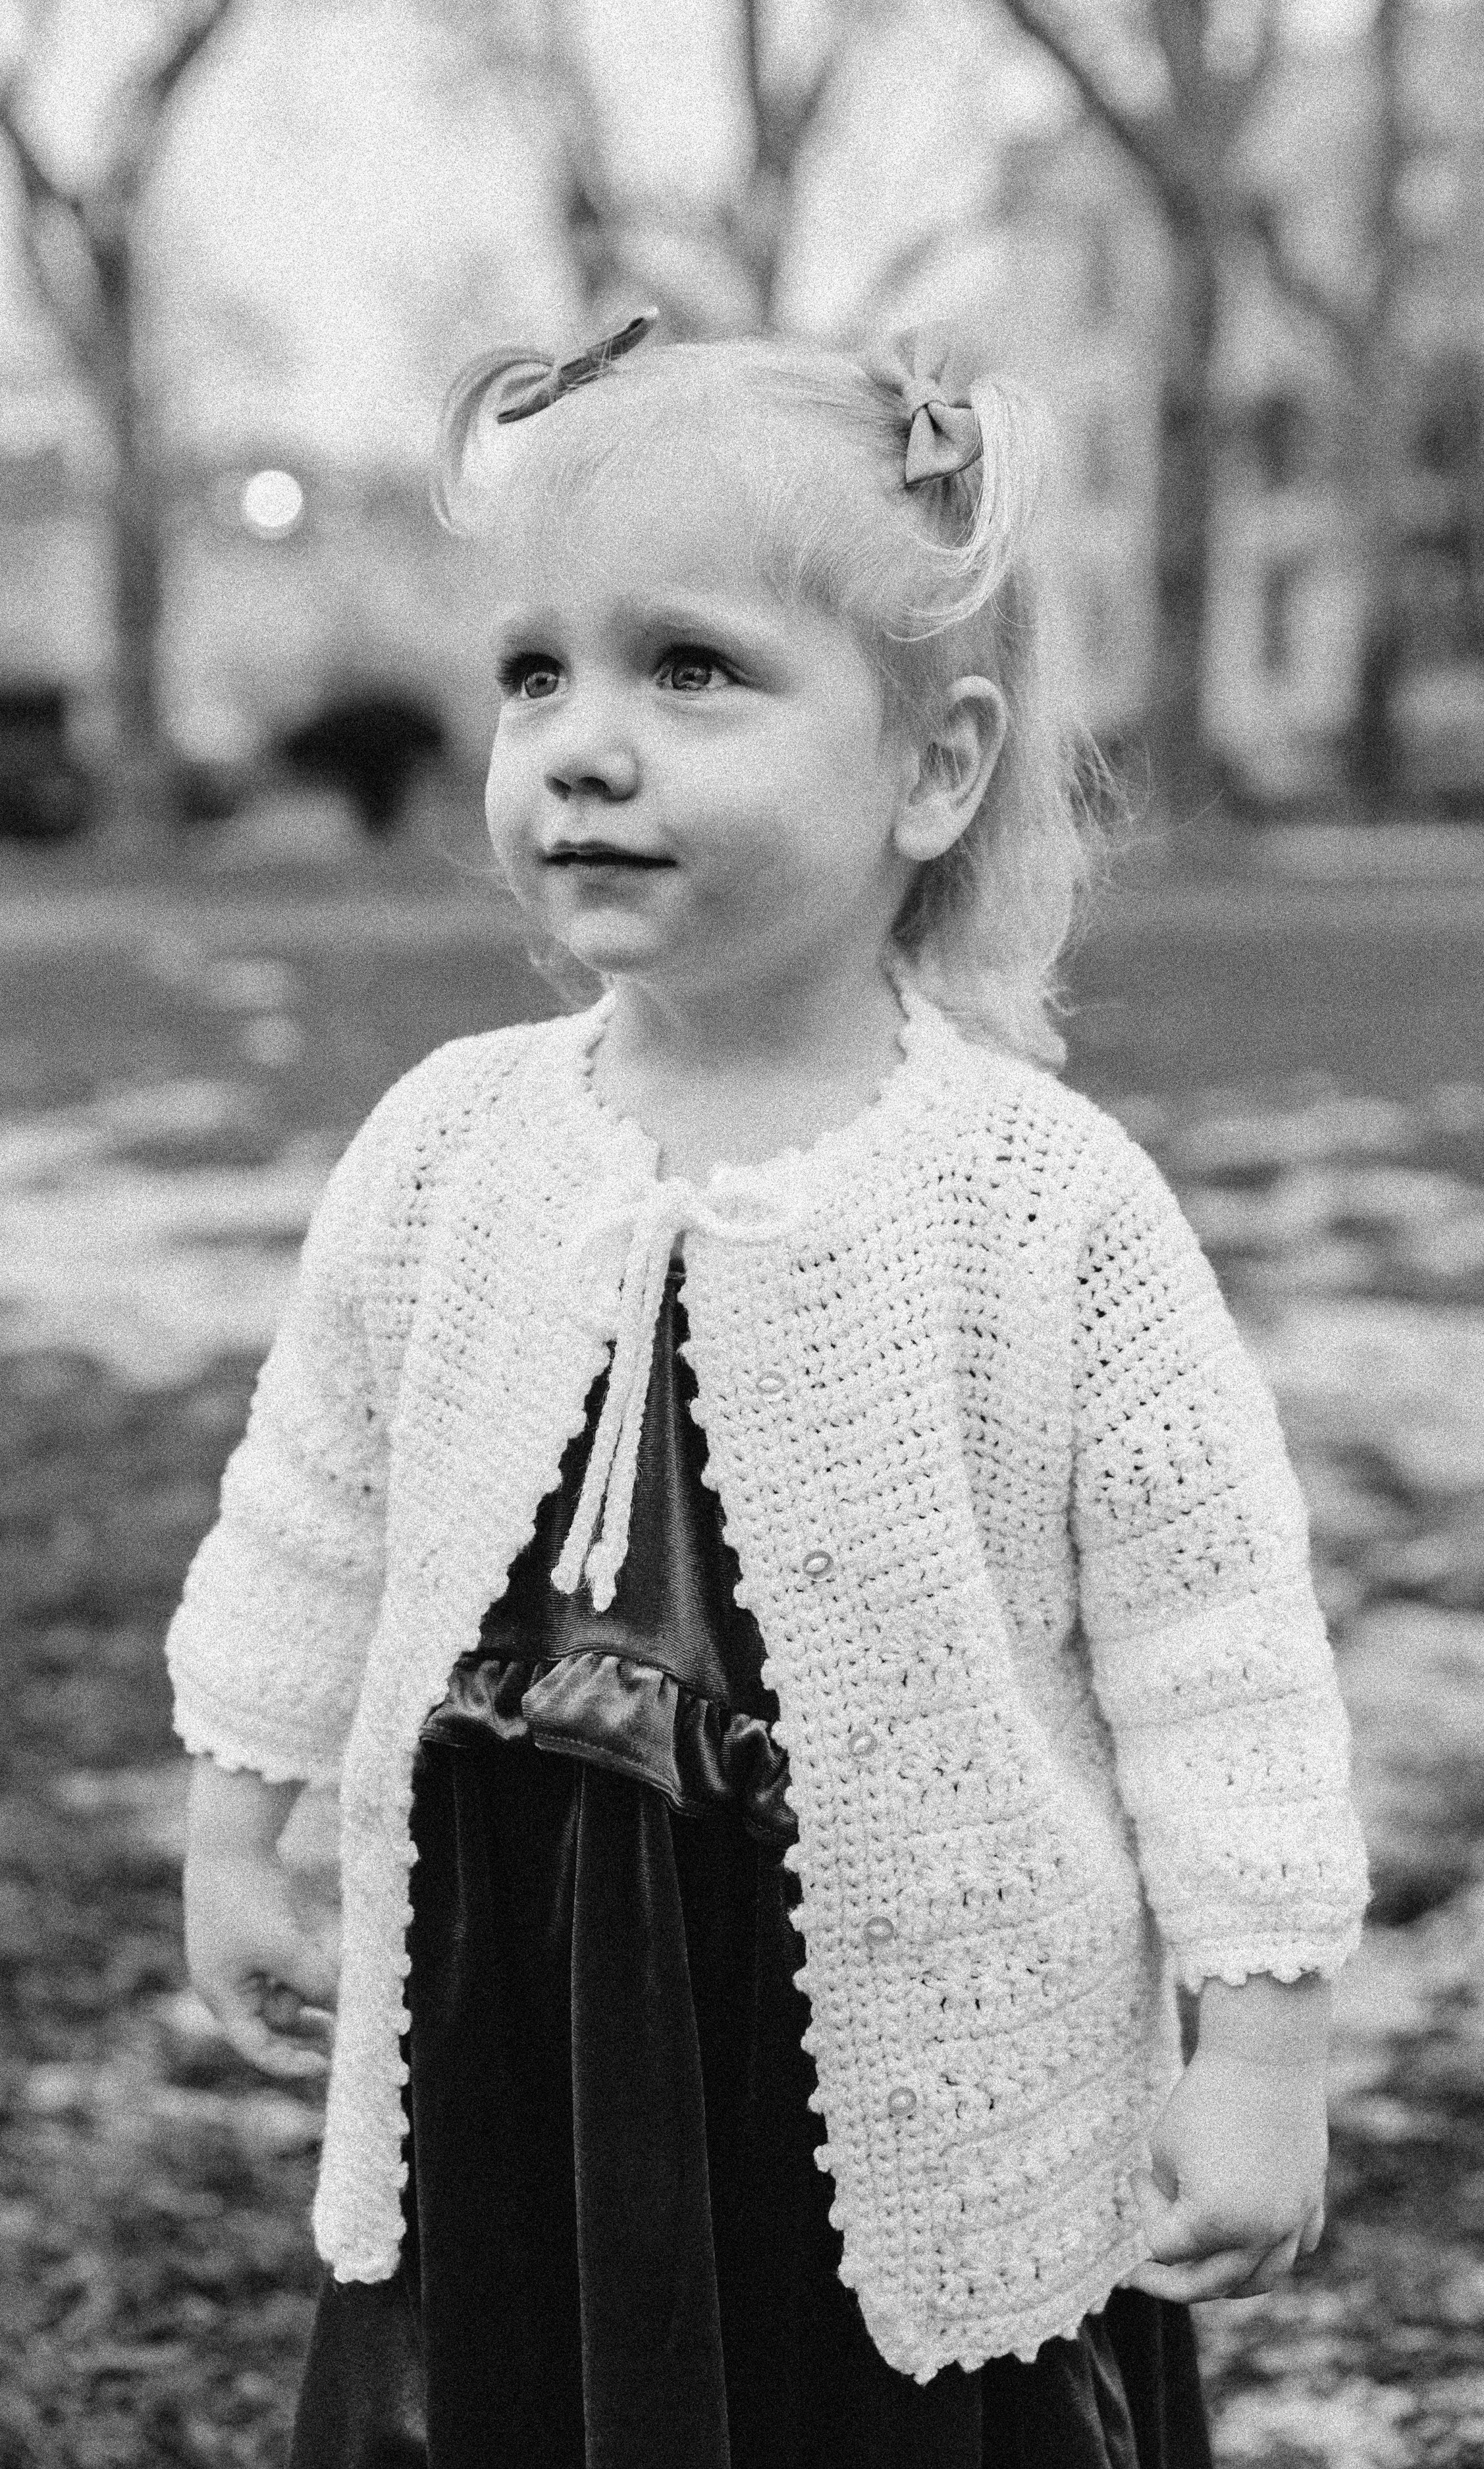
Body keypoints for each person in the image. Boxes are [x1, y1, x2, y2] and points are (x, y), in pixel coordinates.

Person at [167, 313, 1369, 2469]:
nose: (581, 745)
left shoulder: (1034, 1200)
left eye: (690, 669)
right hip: (511, 1991)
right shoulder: (449, 1144)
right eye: (537, 672)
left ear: (933, 764)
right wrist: (235, 1808)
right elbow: (314, 1495)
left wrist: (1261, 2037)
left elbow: (1219, 1644)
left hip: (892, 2017)